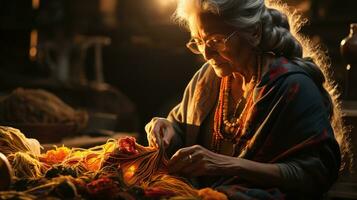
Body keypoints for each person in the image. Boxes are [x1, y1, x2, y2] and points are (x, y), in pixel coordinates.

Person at [145, 0, 349, 199]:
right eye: (198, 41)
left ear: (253, 32)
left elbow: (316, 174)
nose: (206, 53)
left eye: (216, 40)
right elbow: (183, 129)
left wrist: (226, 164)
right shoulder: (208, 78)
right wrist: (168, 129)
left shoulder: (292, 87)